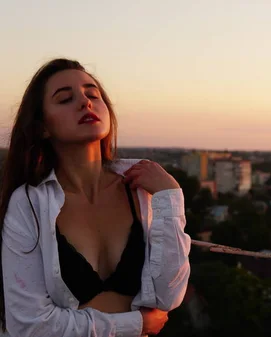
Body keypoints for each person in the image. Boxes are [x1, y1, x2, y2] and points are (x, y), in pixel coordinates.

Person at [0, 58, 191, 337]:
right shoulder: (29, 204)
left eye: (93, 94)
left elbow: (168, 297)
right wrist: (135, 325)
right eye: (65, 99)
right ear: (42, 127)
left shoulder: (140, 188)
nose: (85, 103)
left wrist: (170, 198)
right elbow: (29, 325)